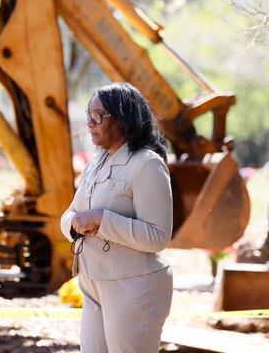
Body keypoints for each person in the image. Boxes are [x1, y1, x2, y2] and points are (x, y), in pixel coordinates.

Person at [60, 82, 173, 353]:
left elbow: (158, 236)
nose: (89, 122)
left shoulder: (148, 164)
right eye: (89, 114)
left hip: (133, 286)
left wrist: (102, 219)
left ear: (124, 120)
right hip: (92, 283)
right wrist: (74, 225)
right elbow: (70, 214)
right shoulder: (96, 162)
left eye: (98, 115)